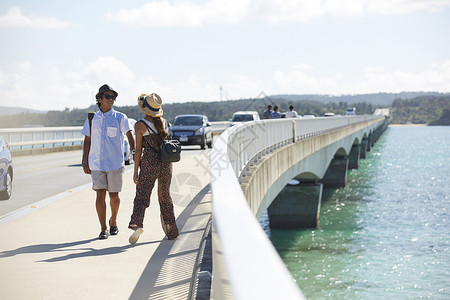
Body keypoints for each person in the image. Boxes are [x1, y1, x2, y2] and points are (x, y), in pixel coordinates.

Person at [82, 84, 135, 240]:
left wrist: (134, 151)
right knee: (100, 195)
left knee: (113, 196)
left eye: (113, 97)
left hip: (114, 164)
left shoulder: (120, 117)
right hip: (96, 163)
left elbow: (129, 135)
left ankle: (114, 221)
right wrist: (85, 161)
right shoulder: (92, 118)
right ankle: (103, 228)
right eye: (107, 96)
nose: (111, 99)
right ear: (99, 99)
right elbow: (87, 140)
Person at [128, 93, 179, 244]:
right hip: (166, 164)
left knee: (142, 195)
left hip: (150, 163)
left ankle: (138, 225)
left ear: (145, 109)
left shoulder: (140, 125)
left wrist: (136, 170)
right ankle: (171, 230)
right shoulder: (163, 122)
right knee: (165, 197)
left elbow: (138, 151)